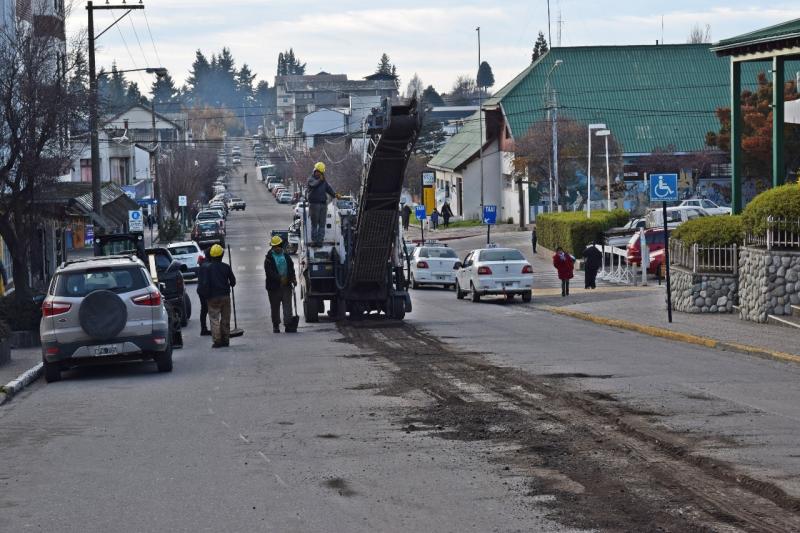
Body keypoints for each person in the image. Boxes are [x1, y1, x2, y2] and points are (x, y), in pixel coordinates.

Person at [198, 244, 237, 348]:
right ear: (222, 255)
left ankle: (217, 341)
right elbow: (233, 282)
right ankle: (225, 339)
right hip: (225, 296)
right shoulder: (226, 267)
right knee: (225, 318)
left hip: (212, 297)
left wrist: (206, 296)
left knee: (214, 318)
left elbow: (205, 283)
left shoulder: (207, 268)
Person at [264, 235, 297, 333]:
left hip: (286, 285)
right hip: (274, 287)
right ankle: (276, 325)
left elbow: (291, 268)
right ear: (272, 247)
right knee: (275, 306)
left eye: (279, 245)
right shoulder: (268, 259)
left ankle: (288, 324)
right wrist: (279, 279)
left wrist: (293, 278)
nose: (277, 248)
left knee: (287, 306)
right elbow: (269, 273)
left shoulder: (286, 256)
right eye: (275, 246)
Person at [306, 162, 339, 246]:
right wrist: (320, 180)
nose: (321, 174)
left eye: (321, 173)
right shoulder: (311, 179)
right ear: (315, 171)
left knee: (322, 224)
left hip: (323, 205)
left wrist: (335, 194)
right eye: (320, 172)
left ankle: (320, 241)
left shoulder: (323, 181)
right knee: (314, 224)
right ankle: (315, 241)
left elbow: (328, 189)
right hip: (314, 205)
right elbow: (314, 185)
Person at [197, 256, 211, 336]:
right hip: (204, 291)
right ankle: (206, 329)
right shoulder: (207, 266)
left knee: (204, 310)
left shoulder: (203, 266)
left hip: (201, 290)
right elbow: (206, 281)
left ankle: (204, 329)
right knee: (208, 309)